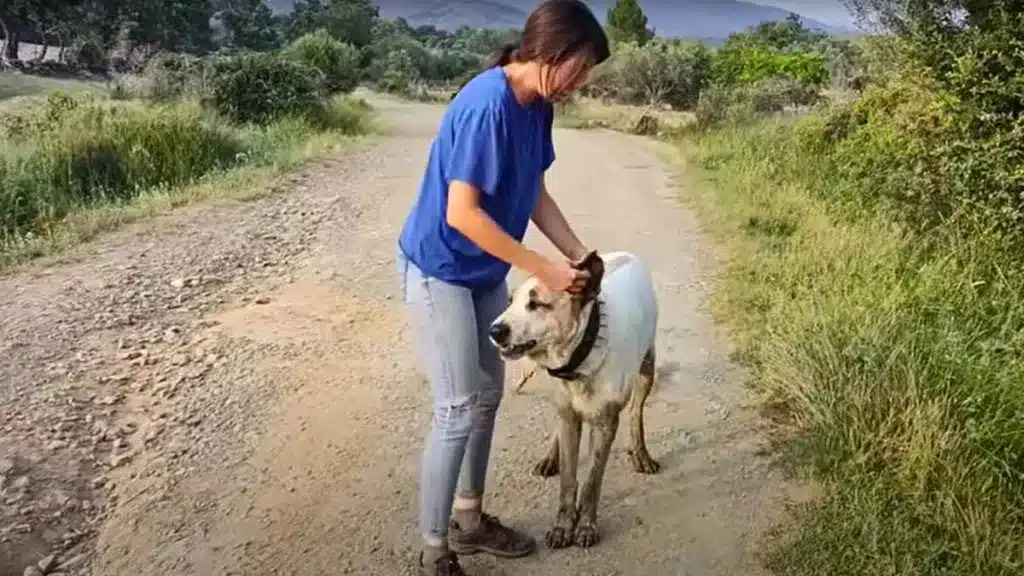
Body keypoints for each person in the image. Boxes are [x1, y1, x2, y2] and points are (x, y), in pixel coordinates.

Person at [395, 1, 611, 574]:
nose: (582, 82)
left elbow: (534, 193)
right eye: (581, 67)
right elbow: (462, 214)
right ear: (551, 52)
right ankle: (434, 550)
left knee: (488, 396)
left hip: (483, 273)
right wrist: (540, 268)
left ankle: (470, 521)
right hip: (441, 269)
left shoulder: (537, 105)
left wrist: (575, 252)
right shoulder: (486, 105)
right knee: (458, 405)